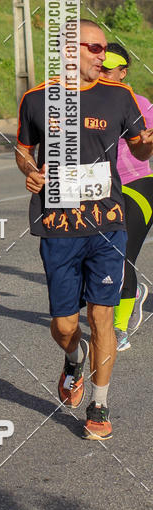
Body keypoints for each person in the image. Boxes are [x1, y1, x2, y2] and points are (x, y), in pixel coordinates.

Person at [15, 20, 153, 440]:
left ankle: (99, 404)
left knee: (102, 317)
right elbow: (24, 150)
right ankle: (73, 359)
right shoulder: (36, 99)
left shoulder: (119, 96)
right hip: (59, 226)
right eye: (94, 48)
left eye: (104, 48)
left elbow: (140, 149)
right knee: (64, 325)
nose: (101, 55)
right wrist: (29, 171)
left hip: (108, 223)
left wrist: (149, 140)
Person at [100, 43, 152, 351]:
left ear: (123, 72)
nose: (103, 74)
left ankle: (118, 329)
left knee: (121, 255)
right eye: (99, 67)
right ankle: (130, 295)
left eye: (110, 69)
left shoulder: (140, 102)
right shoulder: (82, 101)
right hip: (98, 188)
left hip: (138, 184)